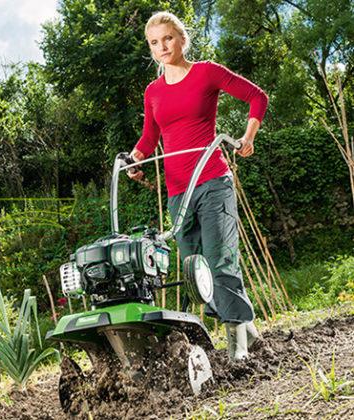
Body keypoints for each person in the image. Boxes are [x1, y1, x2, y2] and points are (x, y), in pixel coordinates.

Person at [127, 11, 268, 361]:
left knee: (220, 262)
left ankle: (238, 349)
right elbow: (149, 137)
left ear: (182, 39)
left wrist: (246, 138)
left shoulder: (206, 72)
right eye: (155, 43)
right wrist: (135, 159)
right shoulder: (153, 91)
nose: (162, 47)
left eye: (168, 38)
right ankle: (248, 330)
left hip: (213, 180)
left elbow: (257, 97)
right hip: (178, 192)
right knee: (196, 273)